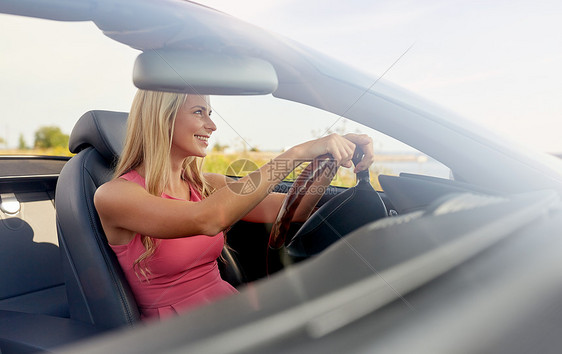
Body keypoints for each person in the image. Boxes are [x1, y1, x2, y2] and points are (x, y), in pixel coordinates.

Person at [94, 90, 375, 320]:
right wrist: (298, 153)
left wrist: (329, 158)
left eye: (210, 114)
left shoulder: (207, 185)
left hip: (229, 309)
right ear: (162, 118)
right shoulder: (116, 196)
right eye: (198, 112)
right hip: (176, 333)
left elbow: (292, 209)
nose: (212, 125)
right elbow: (208, 219)